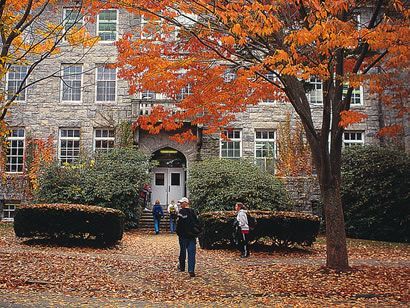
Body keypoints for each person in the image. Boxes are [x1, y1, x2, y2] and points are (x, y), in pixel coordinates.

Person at [176, 197, 201, 277]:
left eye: (181, 203)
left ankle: (182, 267)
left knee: (183, 252)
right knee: (191, 253)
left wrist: (178, 233)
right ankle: (191, 269)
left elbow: (179, 224)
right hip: (192, 236)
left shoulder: (181, 212)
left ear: (185, 203)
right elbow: (197, 223)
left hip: (183, 236)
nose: (180, 204)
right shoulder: (193, 212)